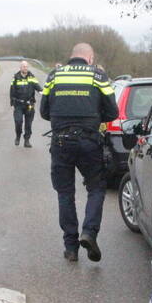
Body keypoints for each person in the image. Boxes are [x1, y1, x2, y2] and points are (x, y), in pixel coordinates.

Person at [40, 43, 118, 263]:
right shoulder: (98, 76)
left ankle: (71, 247)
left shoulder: (54, 75)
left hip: (61, 142)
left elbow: (44, 111)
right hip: (89, 142)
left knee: (65, 193)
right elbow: (113, 112)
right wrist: (92, 117)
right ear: (90, 58)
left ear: (71, 56)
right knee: (96, 188)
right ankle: (89, 233)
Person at [9, 60, 41, 147]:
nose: (25, 68)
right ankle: (18, 136)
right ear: (20, 68)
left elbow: (38, 87)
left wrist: (43, 93)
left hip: (29, 104)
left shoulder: (31, 77)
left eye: (26, 66)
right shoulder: (15, 77)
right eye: (23, 66)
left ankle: (27, 140)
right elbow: (12, 90)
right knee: (18, 122)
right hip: (18, 104)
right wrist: (12, 102)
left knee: (28, 124)